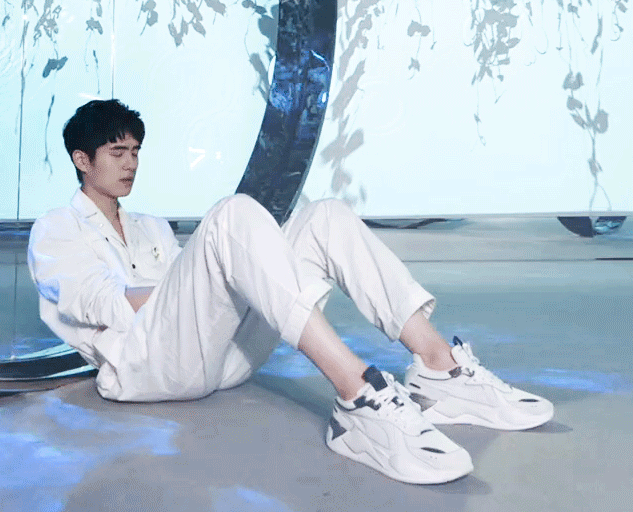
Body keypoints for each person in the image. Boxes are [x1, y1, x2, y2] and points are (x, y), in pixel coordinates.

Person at [27, 99, 553, 486]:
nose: (131, 163)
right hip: (144, 369)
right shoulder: (55, 229)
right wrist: (207, 281)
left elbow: (197, 298)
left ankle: (440, 368)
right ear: (82, 160)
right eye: (117, 152)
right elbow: (100, 303)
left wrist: (224, 280)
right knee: (231, 215)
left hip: (221, 362)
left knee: (325, 217)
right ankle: (358, 397)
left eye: (136, 151)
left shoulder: (152, 226)